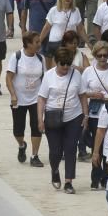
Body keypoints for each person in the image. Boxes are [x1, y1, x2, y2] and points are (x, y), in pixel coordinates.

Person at [37, 47, 87, 194]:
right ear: (56, 62)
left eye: (68, 64)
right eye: (62, 64)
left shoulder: (76, 74)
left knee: (71, 148)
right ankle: (55, 169)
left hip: (74, 116)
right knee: (55, 151)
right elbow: (42, 98)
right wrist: (40, 119)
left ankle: (68, 181)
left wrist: (86, 115)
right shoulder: (48, 76)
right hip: (53, 117)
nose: (66, 67)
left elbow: (82, 95)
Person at [6, 31, 46, 167]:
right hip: (19, 99)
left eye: (39, 41)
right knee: (18, 130)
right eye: (36, 42)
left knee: (37, 127)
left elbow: (44, 79)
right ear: (28, 44)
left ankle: (35, 155)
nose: (39, 45)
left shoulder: (41, 59)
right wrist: (13, 95)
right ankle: (22, 145)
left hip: (36, 99)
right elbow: (9, 78)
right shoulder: (16, 57)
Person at [79, 41, 108, 162]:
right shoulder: (89, 71)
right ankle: (96, 176)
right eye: (99, 55)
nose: (102, 58)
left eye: (105, 55)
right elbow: (81, 93)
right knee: (96, 145)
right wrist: (93, 94)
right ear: (95, 56)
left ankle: (107, 175)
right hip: (95, 111)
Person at [39, 0, 84, 69]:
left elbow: (80, 29)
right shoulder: (54, 10)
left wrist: (89, 43)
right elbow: (46, 28)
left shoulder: (76, 11)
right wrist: (39, 41)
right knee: (51, 70)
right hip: (54, 44)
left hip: (68, 45)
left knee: (66, 68)